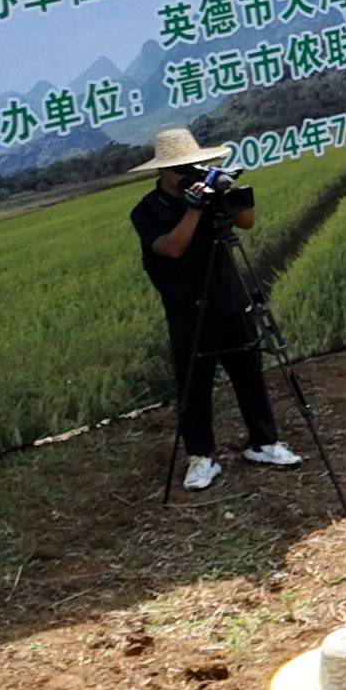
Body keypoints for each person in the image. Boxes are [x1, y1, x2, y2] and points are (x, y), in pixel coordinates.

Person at [133, 128, 295, 493]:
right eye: (181, 168)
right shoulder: (148, 210)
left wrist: (226, 194)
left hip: (231, 299)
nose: (190, 172)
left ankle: (264, 443)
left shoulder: (209, 193)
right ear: (162, 172)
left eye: (194, 165)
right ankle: (201, 457)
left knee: (249, 375)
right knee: (194, 387)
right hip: (188, 309)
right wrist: (193, 209)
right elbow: (171, 249)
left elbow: (247, 222)